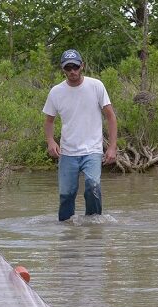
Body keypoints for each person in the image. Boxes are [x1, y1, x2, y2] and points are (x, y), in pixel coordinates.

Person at [43, 48, 118, 221]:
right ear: (63, 69)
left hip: (92, 149)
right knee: (66, 195)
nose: (72, 72)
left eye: (75, 67)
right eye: (68, 68)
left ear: (82, 66)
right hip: (68, 151)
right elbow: (49, 121)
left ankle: (94, 225)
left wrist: (112, 147)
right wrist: (50, 141)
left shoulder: (96, 86)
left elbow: (111, 117)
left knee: (93, 186)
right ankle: (66, 234)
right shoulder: (56, 92)